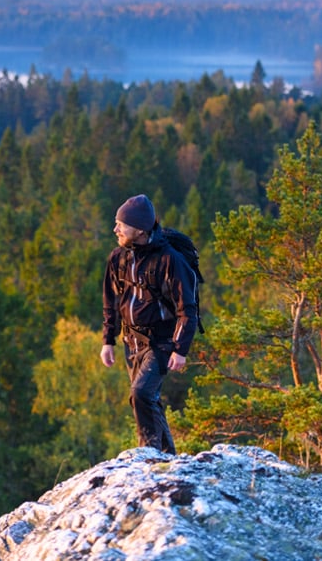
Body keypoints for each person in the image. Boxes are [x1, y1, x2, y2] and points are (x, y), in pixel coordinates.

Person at [100, 194, 198, 454]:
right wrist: (107, 341)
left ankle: (149, 453)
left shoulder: (169, 260)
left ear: (140, 230)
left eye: (121, 224)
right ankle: (167, 457)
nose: (115, 229)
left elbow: (187, 308)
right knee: (145, 399)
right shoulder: (118, 258)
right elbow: (111, 301)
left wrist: (180, 349)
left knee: (141, 393)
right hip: (130, 342)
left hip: (161, 342)